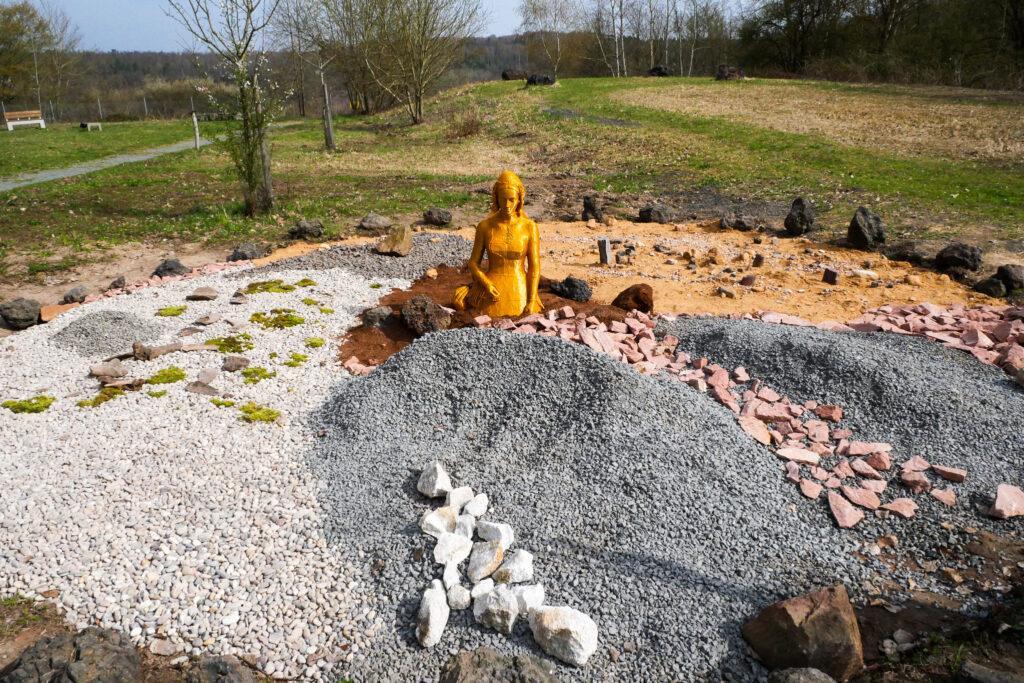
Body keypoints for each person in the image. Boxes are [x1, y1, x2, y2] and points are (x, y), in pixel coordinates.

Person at [453, 170, 542, 318]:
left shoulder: (529, 226)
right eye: (503, 199)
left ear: (520, 199)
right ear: (496, 199)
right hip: (491, 287)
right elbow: (473, 263)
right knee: (462, 304)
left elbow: (534, 267)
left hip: (519, 287)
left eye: (512, 200)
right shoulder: (485, 226)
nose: (507, 205)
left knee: (522, 312)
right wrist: (486, 284)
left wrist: (531, 300)